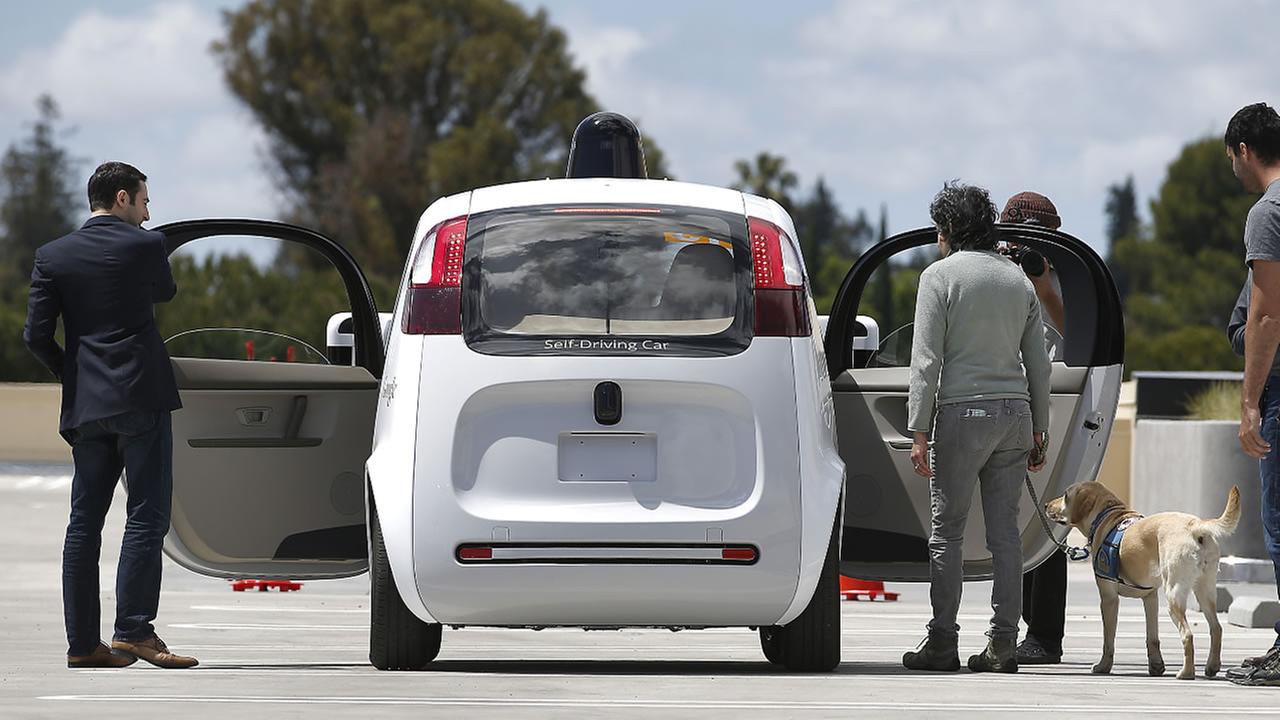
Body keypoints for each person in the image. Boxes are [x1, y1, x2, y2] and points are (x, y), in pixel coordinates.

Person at [23, 162, 197, 669]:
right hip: (140, 397)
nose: (148, 213)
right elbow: (164, 292)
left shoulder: (51, 256)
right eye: (144, 201)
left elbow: (34, 337)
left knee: (83, 526)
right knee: (145, 517)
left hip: (87, 408)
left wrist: (72, 376)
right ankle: (135, 632)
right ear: (122, 199)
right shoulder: (146, 246)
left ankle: (83, 645)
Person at [901, 182, 1052, 673]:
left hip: (962, 416)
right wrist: (1040, 429)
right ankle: (1003, 645)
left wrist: (918, 429)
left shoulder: (939, 278)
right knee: (1006, 535)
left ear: (946, 231)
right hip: (1015, 415)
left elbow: (925, 361)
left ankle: (942, 641)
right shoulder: (1018, 281)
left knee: (947, 533)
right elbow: (1039, 365)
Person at [999, 192, 1069, 666]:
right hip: (1007, 399)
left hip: (1055, 402)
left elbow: (1077, 332)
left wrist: (1044, 285)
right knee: (1011, 520)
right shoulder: (996, 273)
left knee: (1046, 523)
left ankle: (1044, 634)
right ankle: (1017, 625)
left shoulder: (1071, 277)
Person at [1226, 101, 1280, 687]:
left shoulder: (1269, 212)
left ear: (1244, 149)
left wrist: (1249, 403)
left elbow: (1267, 318)